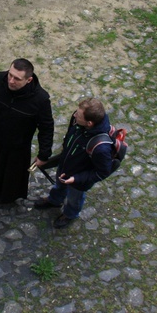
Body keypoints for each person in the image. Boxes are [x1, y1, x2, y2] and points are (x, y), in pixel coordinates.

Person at [0, 58, 54, 204]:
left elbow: (46, 127)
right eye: (10, 75)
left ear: (29, 80)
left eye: (17, 79)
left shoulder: (41, 99)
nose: (11, 81)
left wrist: (44, 154)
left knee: (9, 174)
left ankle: (5, 194)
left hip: (17, 145)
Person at [33, 98, 113, 228]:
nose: (75, 115)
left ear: (90, 123)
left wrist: (76, 179)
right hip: (65, 166)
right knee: (59, 186)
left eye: (79, 115)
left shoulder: (101, 148)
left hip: (78, 181)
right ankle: (55, 200)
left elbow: (102, 172)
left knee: (74, 198)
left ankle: (70, 214)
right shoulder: (77, 121)